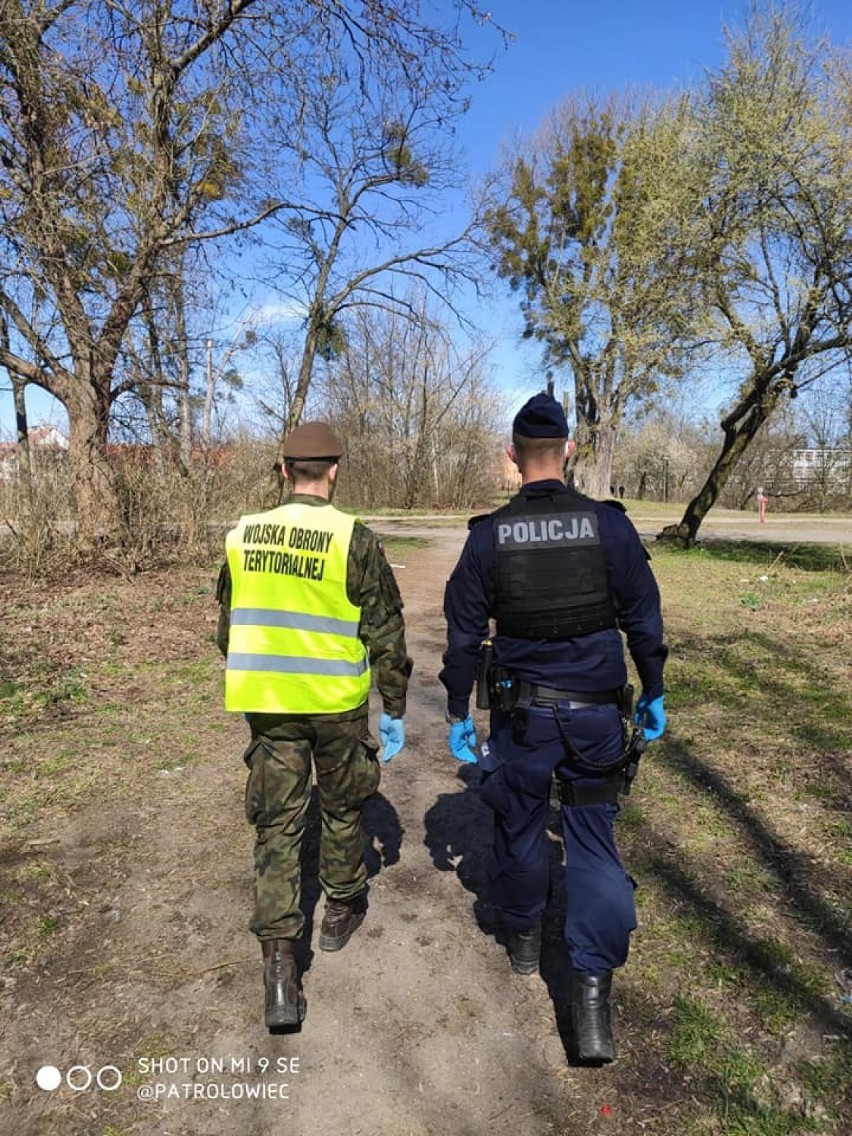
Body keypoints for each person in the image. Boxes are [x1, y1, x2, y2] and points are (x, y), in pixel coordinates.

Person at [439, 393, 667, 1064]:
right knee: (593, 843)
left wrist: (457, 710)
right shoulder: (610, 528)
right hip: (597, 714)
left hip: (521, 719)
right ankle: (591, 1000)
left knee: (518, 824)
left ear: (513, 457)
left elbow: (460, 638)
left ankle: (524, 936)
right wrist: (653, 688)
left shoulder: (488, 537)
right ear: (568, 451)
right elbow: (644, 621)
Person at [216, 421, 412, 1030]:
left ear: (283, 472)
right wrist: (397, 704)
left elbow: (225, 630)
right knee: (344, 807)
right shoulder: (353, 537)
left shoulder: (243, 535)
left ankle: (279, 975)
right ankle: (341, 908)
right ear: (334, 470)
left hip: (269, 704)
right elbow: (386, 630)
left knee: (276, 826)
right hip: (335, 702)